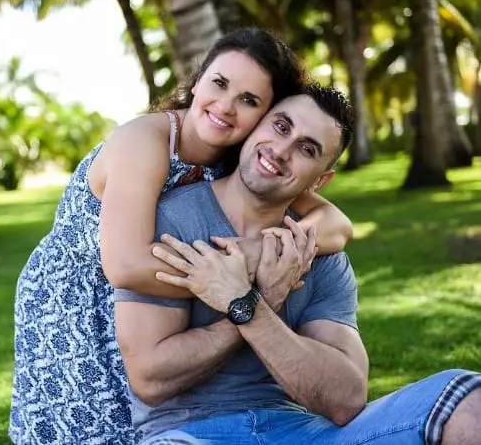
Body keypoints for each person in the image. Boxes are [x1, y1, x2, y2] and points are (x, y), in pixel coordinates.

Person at [10, 28, 354, 444]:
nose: (226, 107)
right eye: (220, 84)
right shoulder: (147, 140)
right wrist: (243, 266)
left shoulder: (239, 159)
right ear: (196, 81)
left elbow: (336, 224)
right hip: (74, 304)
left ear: (263, 117)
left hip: (144, 305)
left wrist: (257, 248)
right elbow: (125, 265)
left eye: (248, 101)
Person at [114, 84, 481, 444]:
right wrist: (259, 298)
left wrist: (250, 307)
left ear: (320, 180)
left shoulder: (317, 251)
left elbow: (346, 398)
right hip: (189, 433)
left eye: (306, 148)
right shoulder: (174, 221)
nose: (282, 150)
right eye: (281, 126)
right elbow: (150, 379)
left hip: (300, 431)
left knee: (469, 402)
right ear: (254, 126)